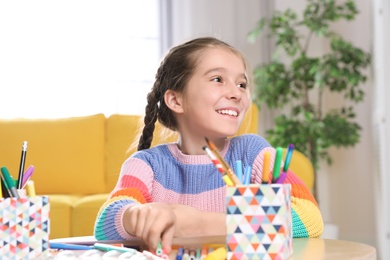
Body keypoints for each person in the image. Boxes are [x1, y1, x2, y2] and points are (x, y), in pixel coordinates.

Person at [94, 36, 323, 254]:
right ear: (176, 100)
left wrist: (200, 224)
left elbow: (311, 218)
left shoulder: (254, 153)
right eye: (218, 79)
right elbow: (104, 225)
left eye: (242, 84)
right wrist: (136, 215)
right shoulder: (146, 164)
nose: (236, 93)